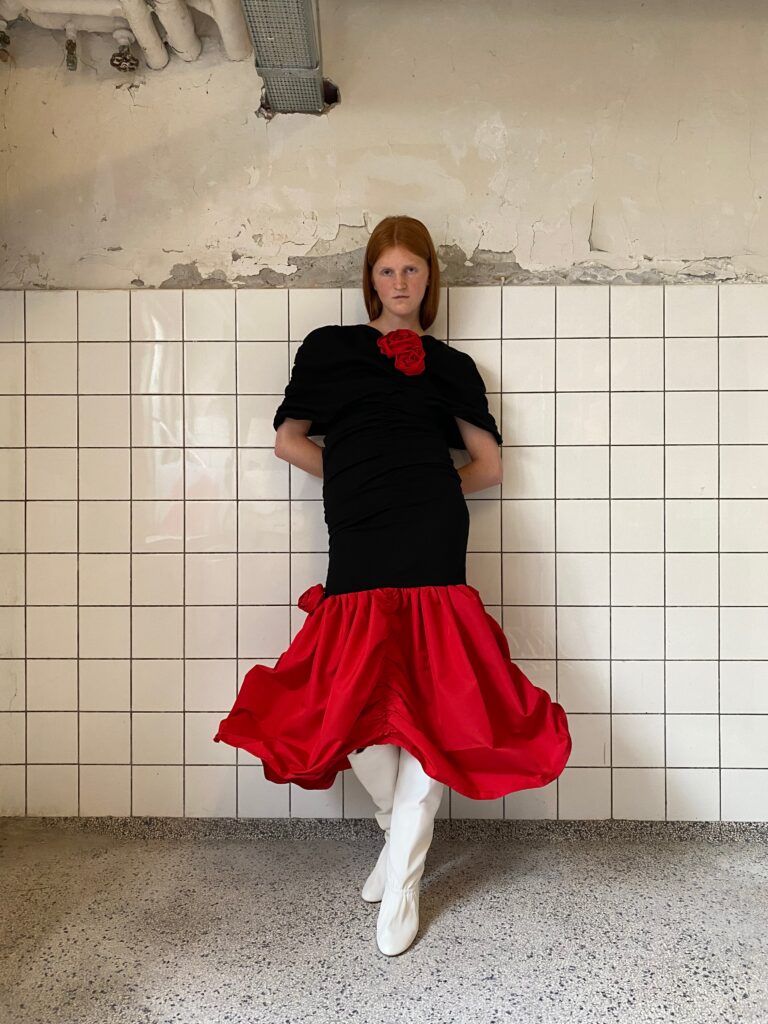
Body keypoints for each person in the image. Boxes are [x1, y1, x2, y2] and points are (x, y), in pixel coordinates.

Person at [213, 214, 572, 956]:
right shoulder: (329, 349)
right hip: (361, 534)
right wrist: (349, 480)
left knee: (434, 695)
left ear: (429, 279)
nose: (400, 283)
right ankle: (395, 830)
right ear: (370, 279)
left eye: (413, 271)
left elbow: (490, 466)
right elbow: (289, 440)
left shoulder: (453, 366)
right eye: (387, 271)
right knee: (349, 694)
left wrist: (427, 486)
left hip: (432, 533)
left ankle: (404, 880)